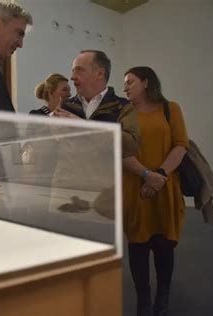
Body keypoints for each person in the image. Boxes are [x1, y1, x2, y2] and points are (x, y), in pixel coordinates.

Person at [122, 66, 189, 316]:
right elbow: (119, 150)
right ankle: (143, 300)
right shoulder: (123, 113)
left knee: (163, 246)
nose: (125, 87)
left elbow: (180, 145)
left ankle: (163, 297)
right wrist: (146, 176)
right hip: (134, 188)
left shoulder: (171, 109)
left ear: (147, 82)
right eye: (124, 83)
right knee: (137, 247)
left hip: (164, 187)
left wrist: (159, 175)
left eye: (130, 81)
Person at [54, 49, 140, 158]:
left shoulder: (123, 107)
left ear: (99, 73)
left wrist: (84, 127)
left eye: (79, 70)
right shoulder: (64, 107)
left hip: (103, 175)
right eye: (73, 71)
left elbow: (131, 146)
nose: (72, 77)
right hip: (67, 175)